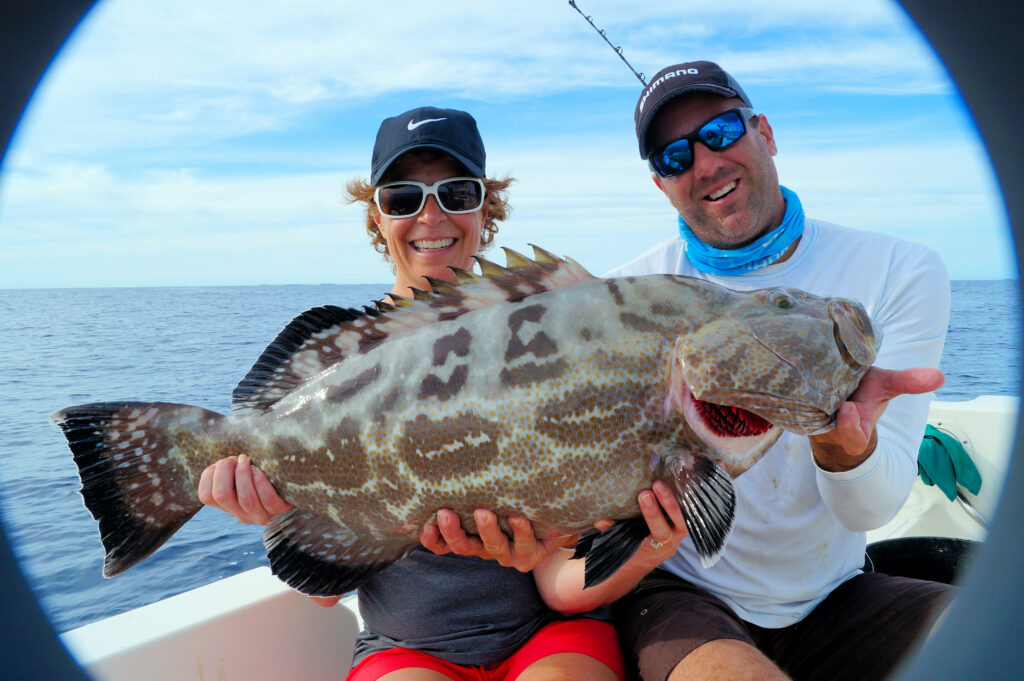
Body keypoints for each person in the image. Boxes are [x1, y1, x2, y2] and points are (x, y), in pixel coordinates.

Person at [423, 61, 956, 681]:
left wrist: (846, 451)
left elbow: (873, 508)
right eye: (675, 156)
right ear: (661, 184)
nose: (704, 163)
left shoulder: (901, 268)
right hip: (677, 601)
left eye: (723, 132)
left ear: (766, 133)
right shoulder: (624, 294)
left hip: (837, 593)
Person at [197, 105, 626, 681]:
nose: (431, 216)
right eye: (402, 198)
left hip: (549, 635)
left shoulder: (553, 335)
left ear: (485, 208)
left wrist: (645, 540)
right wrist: (264, 503)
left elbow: (559, 575)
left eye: (457, 193)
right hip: (404, 649)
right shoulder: (340, 358)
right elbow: (325, 594)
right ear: (377, 217)